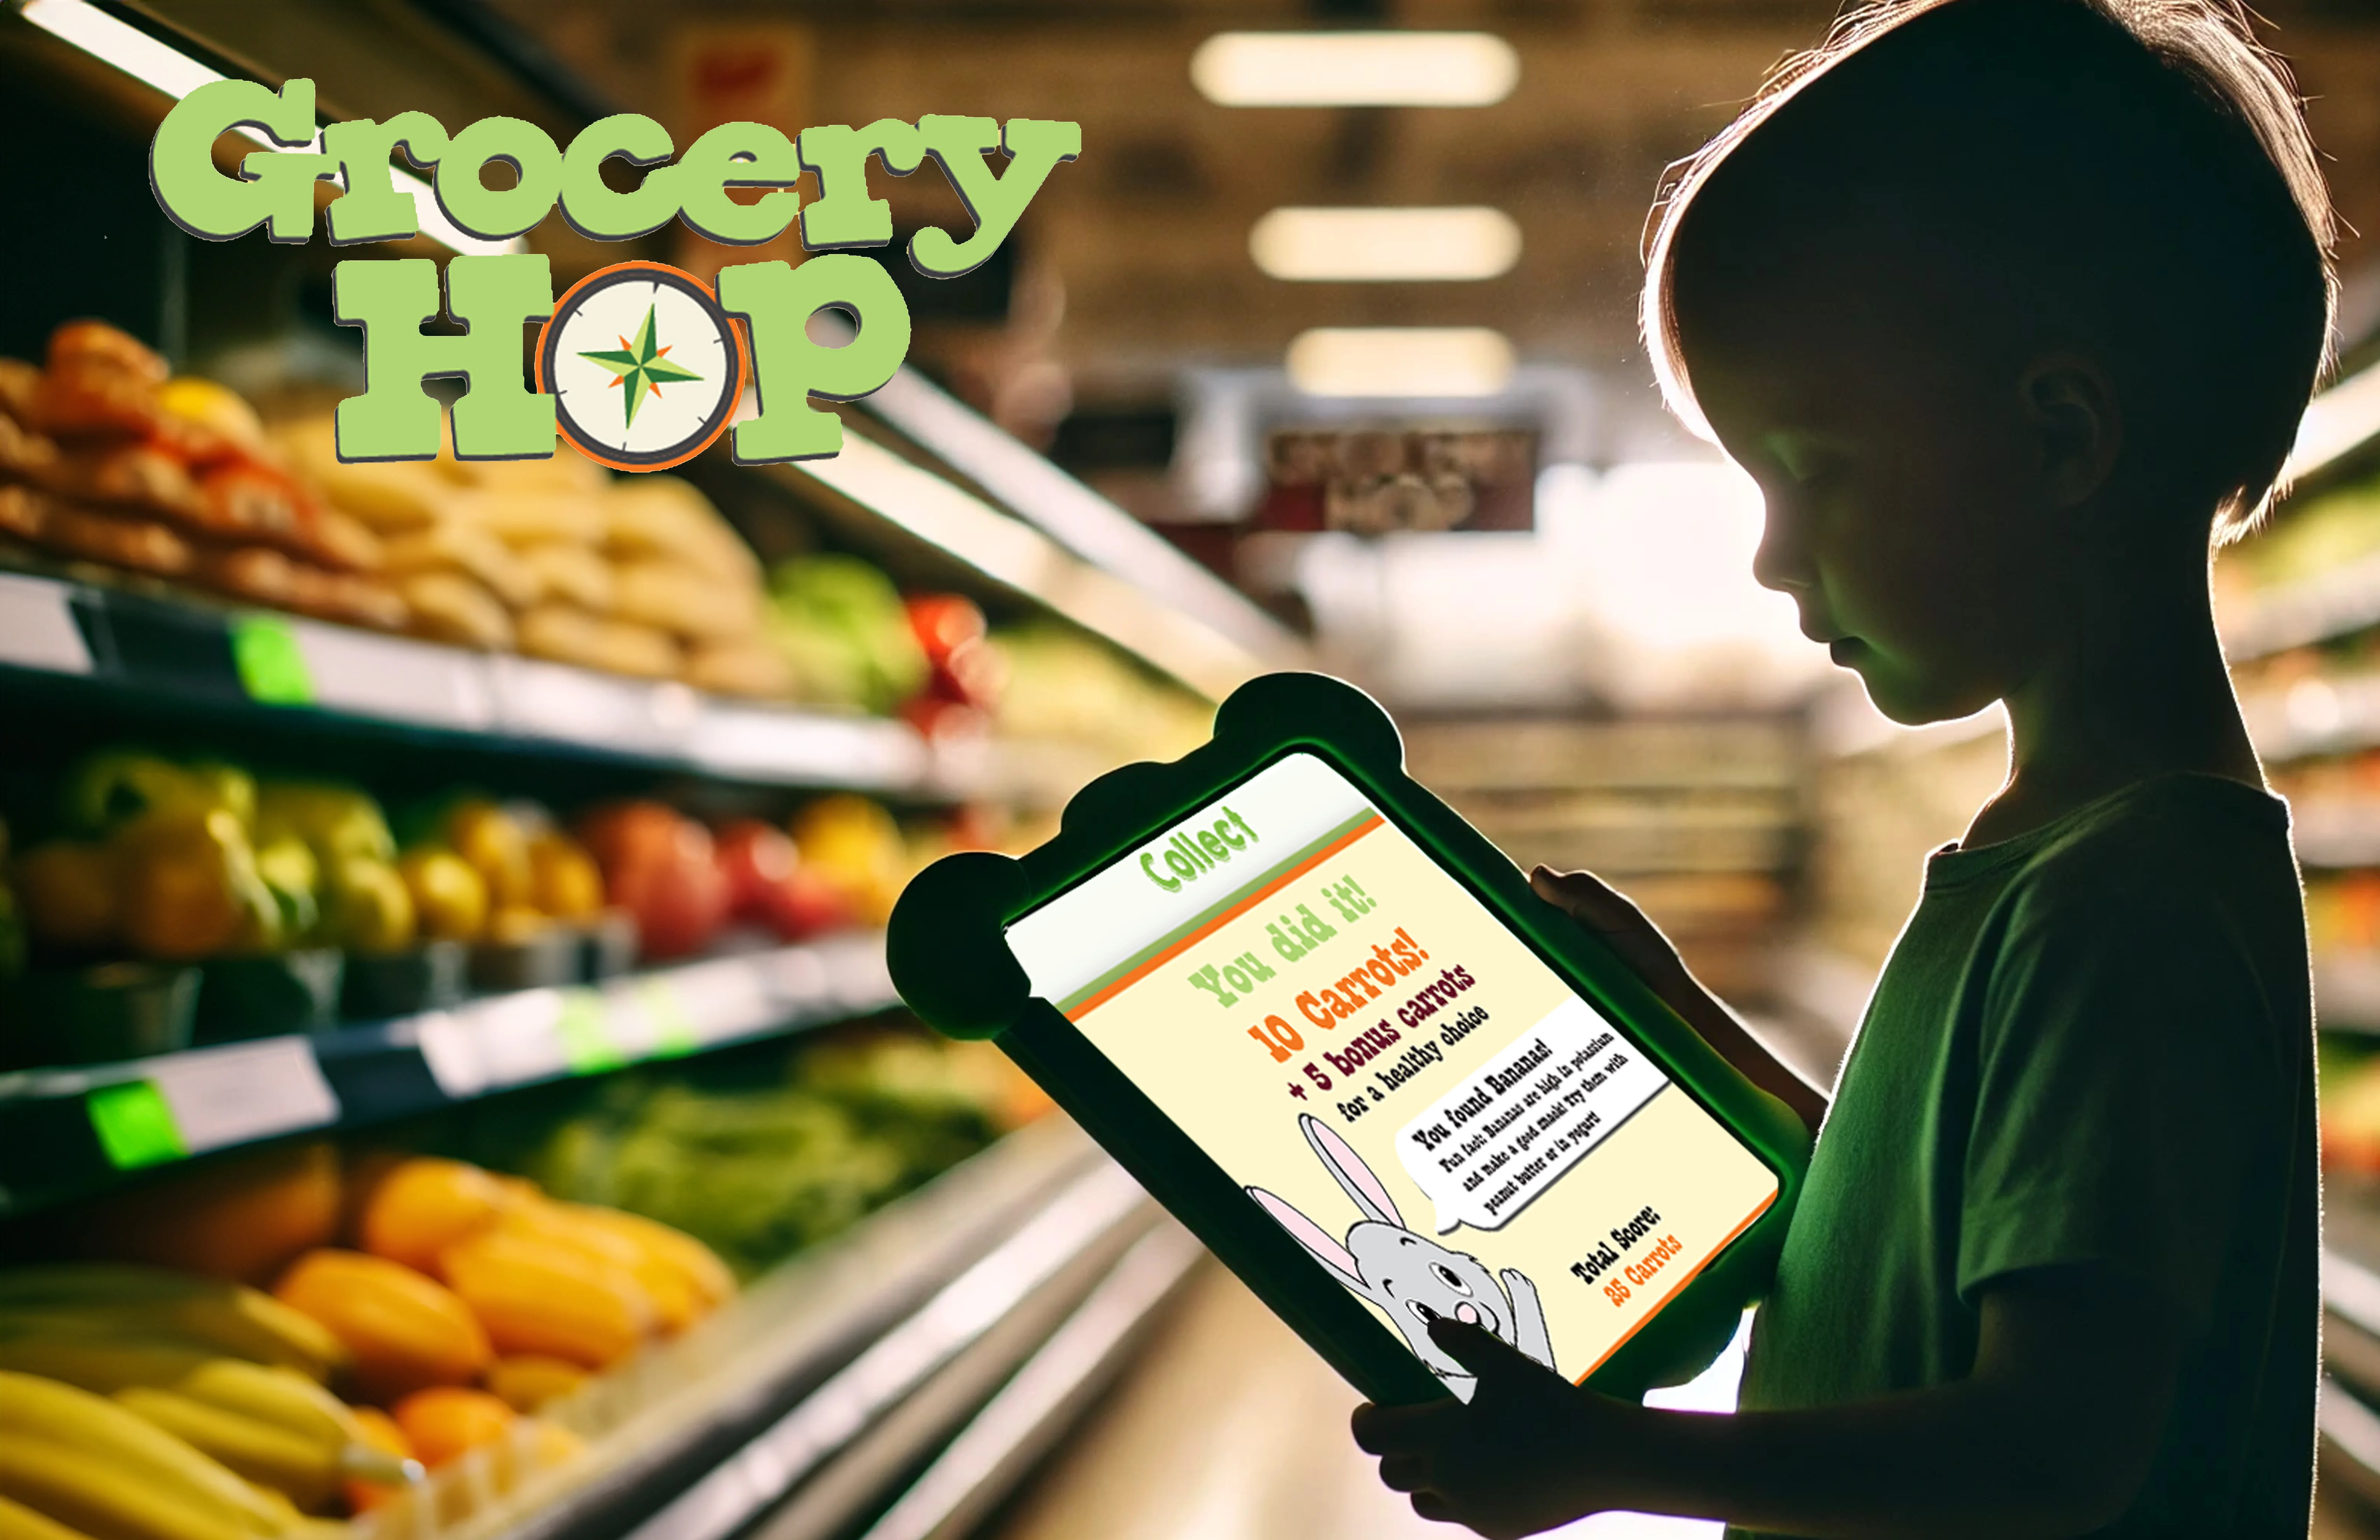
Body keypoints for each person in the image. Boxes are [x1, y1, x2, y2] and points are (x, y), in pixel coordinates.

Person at [1348, 1, 2336, 1534]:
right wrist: (1682, 1025)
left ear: (2060, 436)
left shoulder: (2119, 909)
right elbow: (1920, 1239)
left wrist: (1611, 1459)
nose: (1768, 553)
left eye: (1814, 470)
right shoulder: (2058, 857)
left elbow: (2042, 1454)